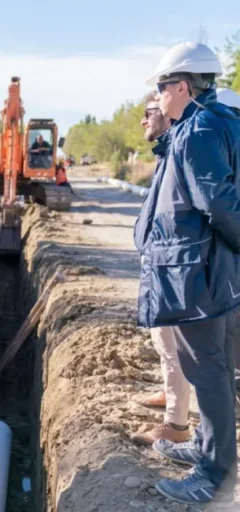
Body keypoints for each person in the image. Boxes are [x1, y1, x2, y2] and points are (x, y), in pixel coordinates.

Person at [137, 41, 240, 506]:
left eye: (162, 87)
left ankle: (214, 471)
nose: (157, 96)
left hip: (199, 275)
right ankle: (205, 444)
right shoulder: (200, 126)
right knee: (207, 367)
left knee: (209, 369)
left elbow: (219, 204)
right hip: (198, 270)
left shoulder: (200, 131)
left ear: (182, 85)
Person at [131, 92, 192, 446]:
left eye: (148, 112)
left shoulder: (184, 152)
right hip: (161, 262)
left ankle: (176, 425)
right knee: (163, 339)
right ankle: (172, 397)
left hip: (174, 266)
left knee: (174, 342)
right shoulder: (168, 152)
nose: (143, 120)